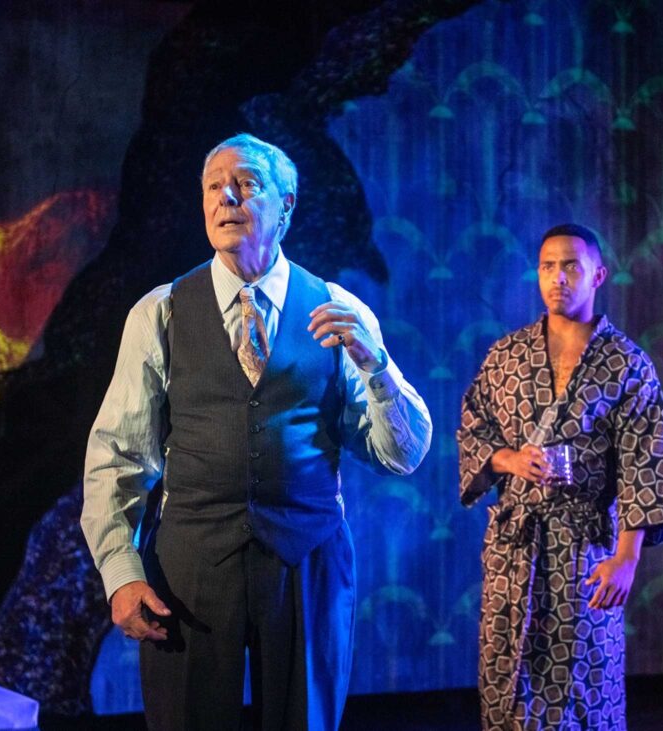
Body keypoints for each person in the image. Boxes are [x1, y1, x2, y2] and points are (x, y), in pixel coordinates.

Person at [81, 133, 431, 731]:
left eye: (246, 183)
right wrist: (121, 575)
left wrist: (376, 367)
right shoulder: (161, 312)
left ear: (286, 205)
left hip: (307, 564)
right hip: (190, 569)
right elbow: (117, 456)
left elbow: (402, 454)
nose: (227, 198)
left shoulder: (338, 310)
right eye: (214, 186)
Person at [457, 223, 663, 730]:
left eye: (570, 267)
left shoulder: (628, 365)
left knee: (586, 685)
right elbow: (473, 428)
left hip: (586, 549)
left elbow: (645, 463)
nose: (557, 278)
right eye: (547, 267)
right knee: (508, 682)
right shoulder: (505, 356)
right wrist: (509, 459)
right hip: (515, 547)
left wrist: (626, 558)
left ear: (597, 275)